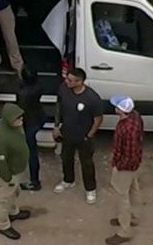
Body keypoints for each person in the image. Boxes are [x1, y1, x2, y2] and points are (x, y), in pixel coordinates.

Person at [52, 67, 104, 204]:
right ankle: (68, 180)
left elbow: (98, 119)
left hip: (84, 137)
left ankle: (90, 189)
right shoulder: (64, 89)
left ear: (79, 82)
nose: (66, 81)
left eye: (70, 80)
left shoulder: (92, 98)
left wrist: (89, 135)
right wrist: (56, 126)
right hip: (67, 133)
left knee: (86, 163)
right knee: (66, 158)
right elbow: (59, 106)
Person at [105, 95, 144, 245]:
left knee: (122, 196)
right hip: (133, 165)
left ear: (120, 109)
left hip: (125, 166)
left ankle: (124, 231)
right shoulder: (135, 118)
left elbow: (129, 152)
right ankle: (133, 217)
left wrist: (118, 165)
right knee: (133, 189)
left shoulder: (126, 128)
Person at [0, 103, 31, 240]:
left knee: (14, 192)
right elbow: (0, 160)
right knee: (4, 198)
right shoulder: (2, 137)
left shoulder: (14, 126)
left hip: (17, 169)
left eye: (21, 118)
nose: (21, 121)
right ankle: (2, 225)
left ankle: (13, 212)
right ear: (9, 119)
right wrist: (7, 177)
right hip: (9, 172)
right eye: (17, 119)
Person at [16, 68, 45, 191]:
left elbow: (21, 108)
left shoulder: (23, 92)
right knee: (31, 148)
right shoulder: (38, 86)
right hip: (38, 116)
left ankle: (35, 181)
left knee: (31, 151)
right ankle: (34, 180)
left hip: (30, 120)